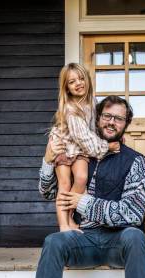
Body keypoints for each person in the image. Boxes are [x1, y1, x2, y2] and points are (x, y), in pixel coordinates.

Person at [15, 96, 145, 278]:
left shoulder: (136, 161)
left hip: (119, 242)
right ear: (97, 118)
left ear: (126, 124)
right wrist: (47, 159)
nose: (111, 122)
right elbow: (49, 192)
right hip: (84, 239)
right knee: (53, 241)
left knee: (136, 237)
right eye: (107, 116)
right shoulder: (81, 155)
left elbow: (133, 214)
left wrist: (82, 203)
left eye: (119, 118)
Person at [48, 63, 120, 232]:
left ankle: (70, 217)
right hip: (64, 147)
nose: (78, 83)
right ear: (66, 87)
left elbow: (94, 130)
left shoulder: (92, 103)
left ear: (87, 80)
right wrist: (106, 146)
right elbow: (84, 139)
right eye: (72, 82)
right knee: (64, 184)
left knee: (81, 178)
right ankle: (63, 225)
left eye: (81, 78)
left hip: (79, 150)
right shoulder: (70, 109)